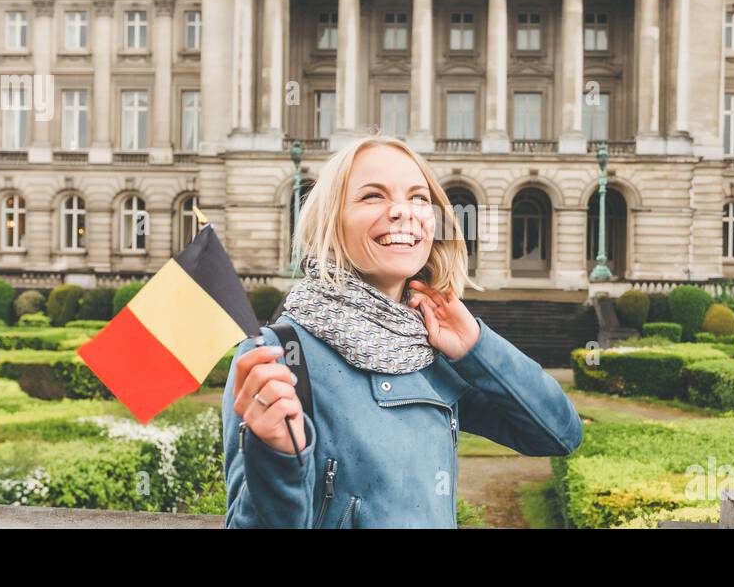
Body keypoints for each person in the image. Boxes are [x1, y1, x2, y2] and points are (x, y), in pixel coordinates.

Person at [221, 134, 583, 528]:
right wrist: (275, 457)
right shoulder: (278, 355)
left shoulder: (429, 349)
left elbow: (558, 434)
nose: (403, 212)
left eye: (418, 197)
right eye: (373, 196)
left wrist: (478, 348)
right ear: (330, 219)